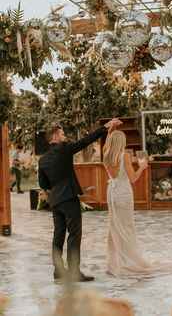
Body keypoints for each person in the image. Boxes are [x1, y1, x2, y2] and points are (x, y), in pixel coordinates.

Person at [38, 118, 122, 282]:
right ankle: (74, 272)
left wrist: (56, 187)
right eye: (62, 134)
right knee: (74, 235)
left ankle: (58, 271)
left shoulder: (43, 160)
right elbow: (85, 142)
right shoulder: (62, 149)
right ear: (55, 138)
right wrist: (106, 126)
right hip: (69, 198)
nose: (65, 137)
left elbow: (43, 183)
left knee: (58, 236)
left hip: (56, 201)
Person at [103, 128, 172, 277]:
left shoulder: (106, 155)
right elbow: (133, 178)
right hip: (123, 193)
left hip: (111, 193)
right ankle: (127, 262)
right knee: (127, 227)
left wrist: (111, 129)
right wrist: (142, 166)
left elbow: (107, 144)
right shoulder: (124, 156)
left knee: (115, 227)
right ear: (121, 142)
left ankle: (115, 263)